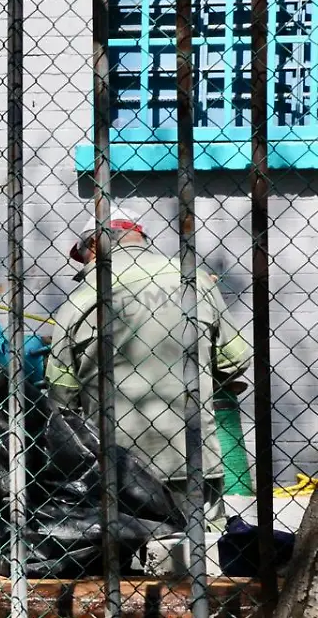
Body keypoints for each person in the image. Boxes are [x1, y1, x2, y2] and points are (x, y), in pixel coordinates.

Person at [44, 208, 251, 525]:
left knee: (127, 555)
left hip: (119, 469)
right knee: (205, 553)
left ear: (96, 244)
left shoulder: (79, 302)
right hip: (191, 455)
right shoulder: (193, 280)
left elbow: (62, 396)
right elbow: (235, 359)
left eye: (84, 256)